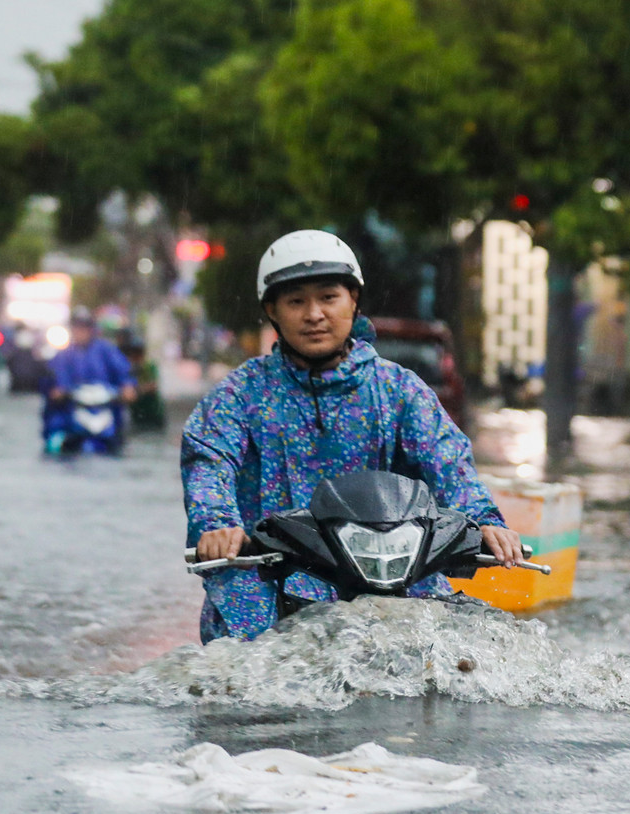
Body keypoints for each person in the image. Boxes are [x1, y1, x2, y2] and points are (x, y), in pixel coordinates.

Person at [181, 229, 523, 643]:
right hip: (272, 584)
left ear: (354, 300)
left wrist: (484, 520)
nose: (314, 314)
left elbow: (449, 463)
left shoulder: (399, 390)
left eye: (328, 297)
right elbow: (209, 463)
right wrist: (218, 526)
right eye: (296, 301)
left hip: (392, 577)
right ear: (272, 310)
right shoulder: (239, 395)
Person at [42, 308, 137, 452]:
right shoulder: (64, 355)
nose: (81, 331)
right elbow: (54, 378)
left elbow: (123, 372)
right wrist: (58, 391)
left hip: (104, 406)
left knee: (120, 435)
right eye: (77, 327)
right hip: (72, 410)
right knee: (55, 437)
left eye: (84, 327)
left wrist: (128, 387)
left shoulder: (106, 350)